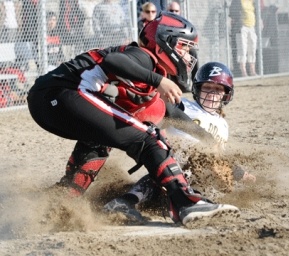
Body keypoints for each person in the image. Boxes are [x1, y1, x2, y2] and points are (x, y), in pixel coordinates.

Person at [27, 12, 239, 226]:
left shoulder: (145, 75)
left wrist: (207, 139)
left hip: (48, 101)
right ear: (165, 41)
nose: (188, 54)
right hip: (63, 92)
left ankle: (56, 204)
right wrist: (158, 81)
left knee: (100, 142)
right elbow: (112, 61)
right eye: (183, 46)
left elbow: (171, 113)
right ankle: (185, 202)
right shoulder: (143, 57)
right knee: (149, 139)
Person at [103, 61, 256, 221]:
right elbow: (161, 109)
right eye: (207, 87)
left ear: (226, 94)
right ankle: (126, 201)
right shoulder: (183, 105)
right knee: (178, 162)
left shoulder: (223, 125)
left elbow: (218, 156)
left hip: (193, 183)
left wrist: (239, 173)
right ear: (197, 89)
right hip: (171, 169)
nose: (212, 93)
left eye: (218, 89)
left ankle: (190, 203)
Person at [229, 0, 259, 77]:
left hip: (252, 26)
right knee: (242, 49)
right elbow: (232, 14)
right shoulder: (237, 1)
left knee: (252, 48)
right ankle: (243, 71)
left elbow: (256, 11)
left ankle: (252, 70)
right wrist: (237, 23)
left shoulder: (252, 1)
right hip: (242, 27)